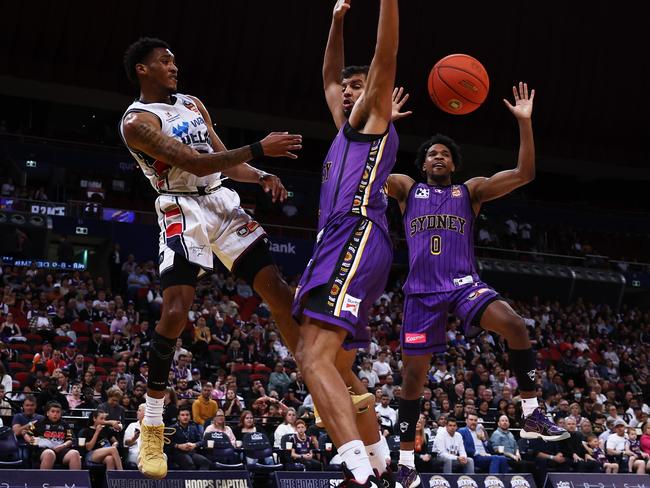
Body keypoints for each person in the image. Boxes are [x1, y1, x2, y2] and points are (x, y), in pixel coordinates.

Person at [120, 37, 304, 479]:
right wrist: (259, 147)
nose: (173, 66)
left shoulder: (193, 104)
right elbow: (192, 163)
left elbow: (219, 162)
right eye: (164, 61)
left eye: (174, 59)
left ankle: (318, 378)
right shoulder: (136, 122)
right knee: (176, 312)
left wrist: (260, 175)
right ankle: (152, 421)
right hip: (180, 206)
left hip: (220, 201)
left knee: (277, 292)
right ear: (142, 70)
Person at [388, 82, 568, 486]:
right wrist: (384, 125)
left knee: (516, 326)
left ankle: (531, 412)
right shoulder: (405, 189)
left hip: (463, 283)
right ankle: (405, 462)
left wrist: (524, 124)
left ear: (453, 165)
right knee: (412, 383)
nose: (438, 156)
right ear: (423, 163)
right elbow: (369, 166)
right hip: (421, 292)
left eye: (445, 154)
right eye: (432, 153)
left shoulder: (469, 192)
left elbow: (525, 173)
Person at [292, 0, 400, 485]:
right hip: (337, 241)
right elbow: (330, 76)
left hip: (356, 233)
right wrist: (336, 22)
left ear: (376, 93)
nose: (349, 92)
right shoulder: (346, 130)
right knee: (325, 363)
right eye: (348, 89)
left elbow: (384, 53)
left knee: (315, 358)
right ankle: (380, 463)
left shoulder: (375, 120)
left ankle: (357, 471)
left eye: (361, 87)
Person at [25, 401, 81, 470]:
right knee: (49, 454)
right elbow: (26, 434)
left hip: (61, 450)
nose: (55, 414)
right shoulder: (39, 423)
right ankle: (44, 480)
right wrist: (31, 441)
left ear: (61, 413)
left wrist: (63, 446)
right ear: (48, 413)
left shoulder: (65, 424)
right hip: (43, 450)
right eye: (53, 411)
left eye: (58, 412)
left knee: (75, 453)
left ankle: (76, 480)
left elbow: (70, 440)